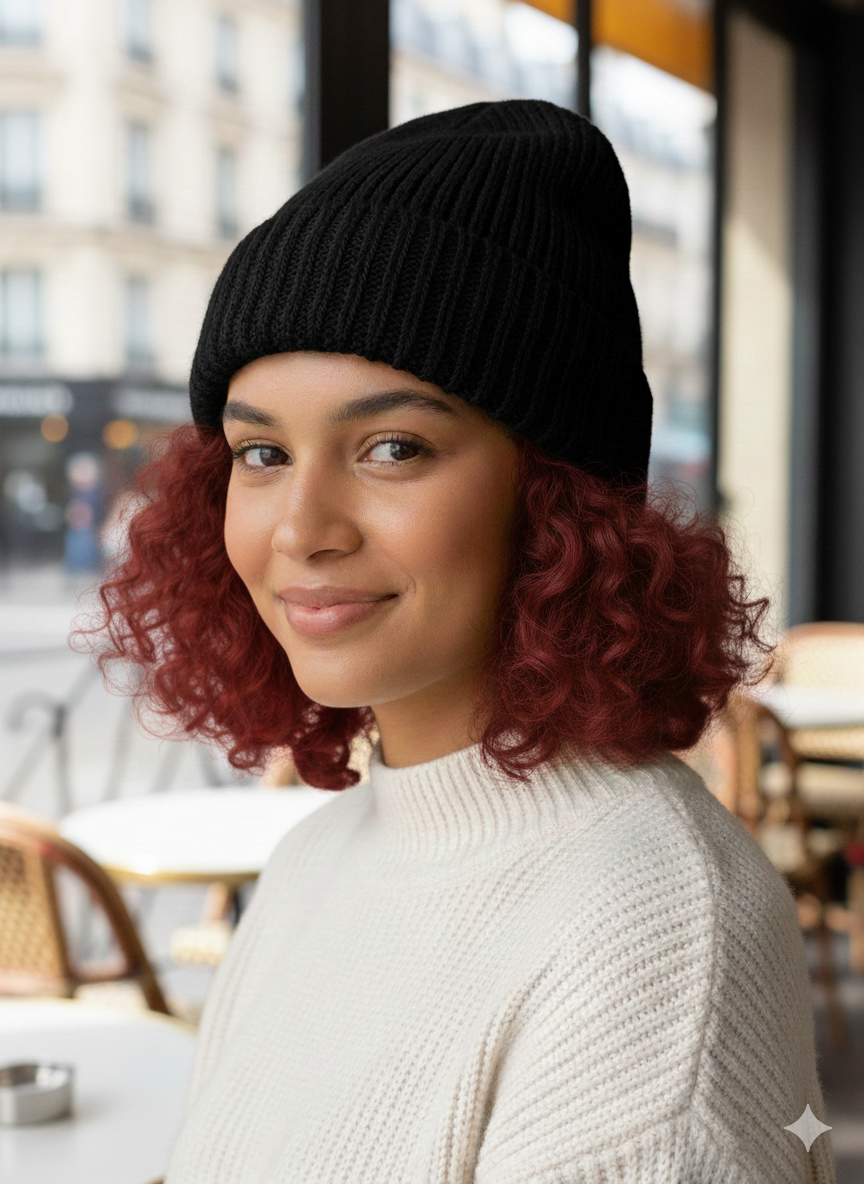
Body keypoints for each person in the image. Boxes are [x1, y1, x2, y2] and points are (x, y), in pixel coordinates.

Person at [87, 101, 836, 1182]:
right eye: (261, 452)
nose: (302, 527)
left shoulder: (656, 936)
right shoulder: (312, 861)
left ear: (557, 501)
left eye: (393, 446)